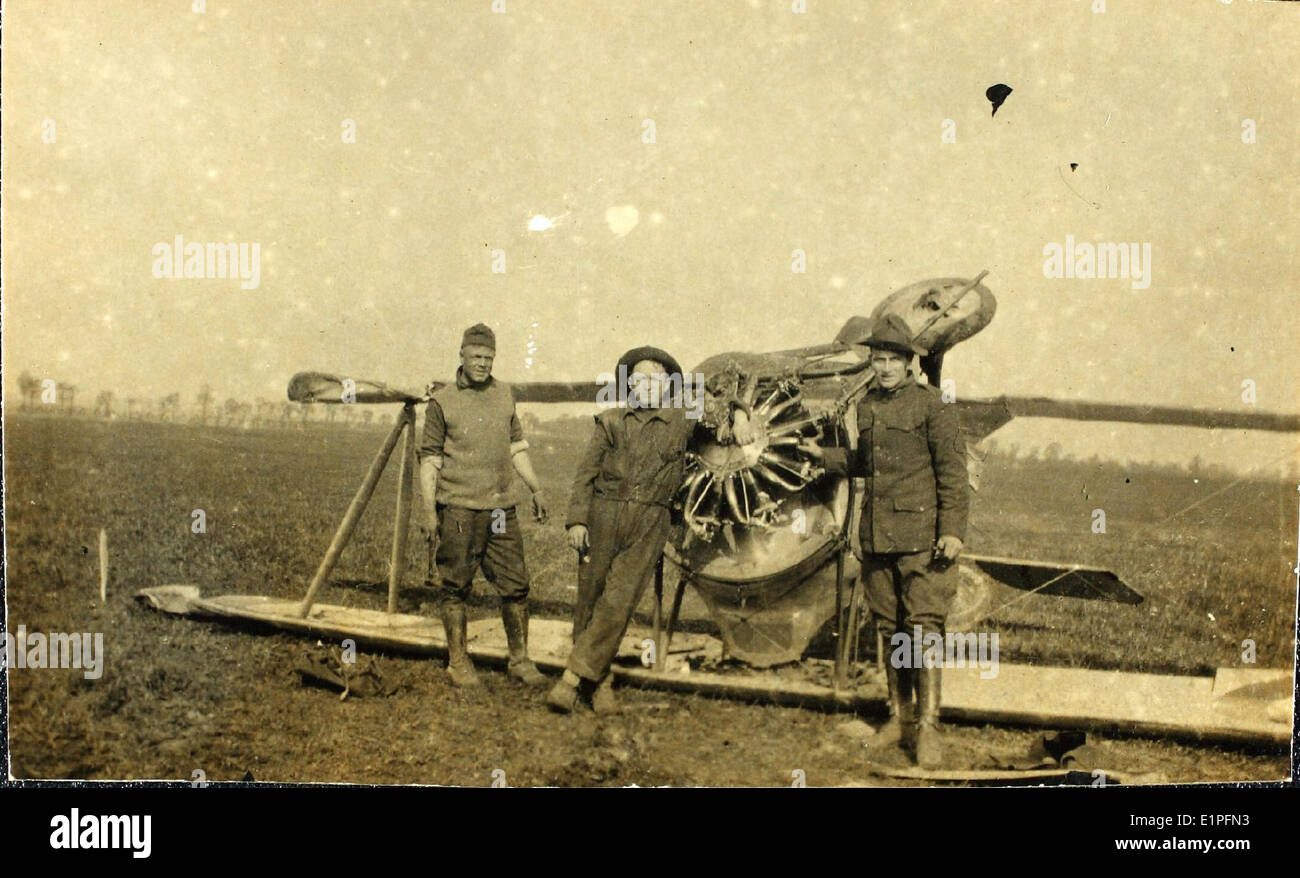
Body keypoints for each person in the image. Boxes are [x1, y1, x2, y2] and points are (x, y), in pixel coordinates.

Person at [824, 313, 969, 767]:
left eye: (892, 360)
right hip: (877, 536)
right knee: (890, 630)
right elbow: (868, 463)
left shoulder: (933, 405)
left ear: (909, 363)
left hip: (923, 540)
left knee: (923, 630)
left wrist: (951, 530)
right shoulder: (867, 406)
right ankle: (898, 718)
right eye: (878, 359)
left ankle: (929, 727)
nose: (884, 367)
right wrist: (825, 457)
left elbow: (953, 473)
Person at [546, 346, 696, 714]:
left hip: (649, 521)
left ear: (668, 386)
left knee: (618, 601)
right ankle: (600, 684)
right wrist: (577, 520)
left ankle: (571, 680)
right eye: (639, 379)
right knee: (590, 599)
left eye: (656, 379)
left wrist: (739, 414)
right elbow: (586, 474)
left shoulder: (683, 421)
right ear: (629, 385)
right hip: (603, 514)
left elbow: (722, 400)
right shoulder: (611, 421)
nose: (648, 385)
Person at [416, 323, 549, 688]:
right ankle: (458, 662)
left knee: (516, 585)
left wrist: (536, 488)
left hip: (500, 511)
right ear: (461, 355)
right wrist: (429, 512)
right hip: (459, 510)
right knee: (455, 586)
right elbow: (430, 461)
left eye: (489, 358)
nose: (482, 363)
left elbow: (517, 447)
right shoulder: (442, 401)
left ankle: (519, 660)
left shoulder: (504, 394)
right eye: (476, 356)